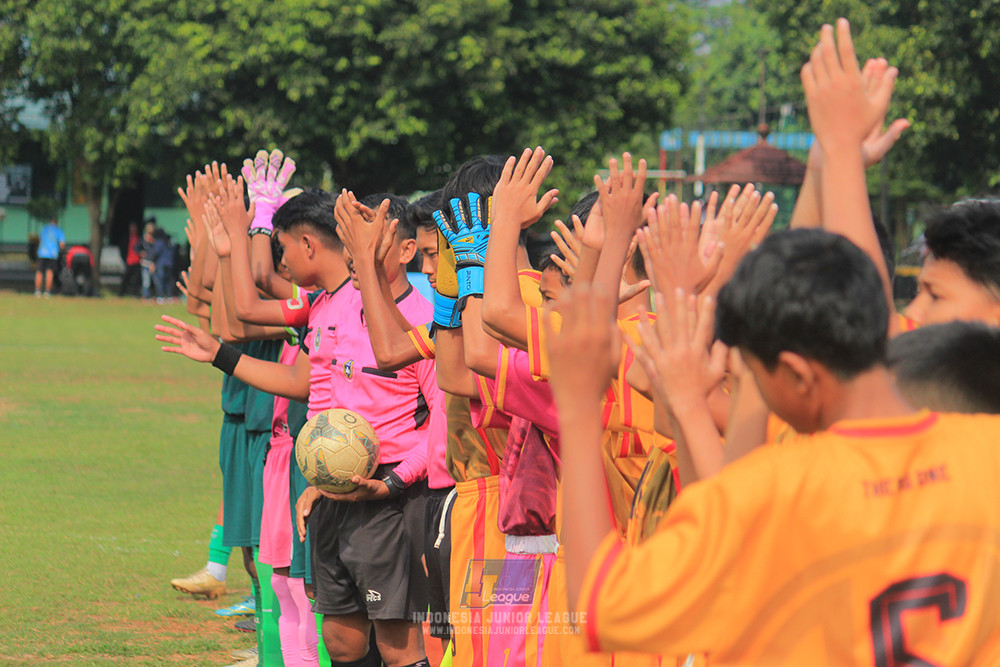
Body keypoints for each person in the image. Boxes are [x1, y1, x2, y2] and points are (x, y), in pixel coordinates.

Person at [554, 227, 1000, 664]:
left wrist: (576, 406)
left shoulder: (773, 492)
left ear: (797, 375)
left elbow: (601, 606)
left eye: (750, 377)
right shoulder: (985, 449)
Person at [34, 216, 65, 298]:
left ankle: (37, 291)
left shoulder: (44, 229)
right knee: (49, 272)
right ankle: (47, 292)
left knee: (39, 272)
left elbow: (40, 240)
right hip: (52, 254)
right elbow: (62, 244)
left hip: (42, 253)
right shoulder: (58, 230)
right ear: (56, 222)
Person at [120, 222, 142, 297]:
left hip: (137, 261)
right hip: (129, 261)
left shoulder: (139, 238)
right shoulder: (126, 238)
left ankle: (134, 293)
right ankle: (122, 292)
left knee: (135, 279)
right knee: (125, 278)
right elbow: (123, 249)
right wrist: (125, 258)